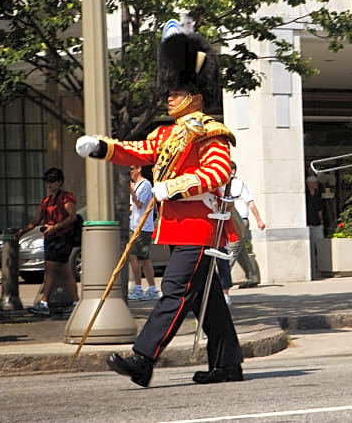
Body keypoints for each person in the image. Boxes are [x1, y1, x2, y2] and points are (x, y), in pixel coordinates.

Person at [76, 29, 243, 386]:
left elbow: (217, 173)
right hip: (179, 228)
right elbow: (138, 151)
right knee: (207, 301)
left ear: (195, 95)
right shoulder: (167, 134)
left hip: (201, 227)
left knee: (175, 292)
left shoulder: (211, 132)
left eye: (177, 91)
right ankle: (228, 364)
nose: (169, 96)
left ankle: (144, 357)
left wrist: (173, 188)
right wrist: (102, 148)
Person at [23, 167, 79, 315]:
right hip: (50, 238)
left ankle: (45, 302)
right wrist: (21, 232)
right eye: (48, 181)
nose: (49, 184)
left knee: (50, 270)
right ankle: (75, 302)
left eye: (53, 181)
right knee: (64, 271)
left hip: (62, 238)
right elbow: (36, 220)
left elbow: (72, 217)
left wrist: (55, 227)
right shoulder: (47, 201)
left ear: (59, 182)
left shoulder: (66, 197)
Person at [224, 161, 264, 290]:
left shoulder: (239, 184)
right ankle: (252, 277)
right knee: (241, 252)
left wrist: (259, 220)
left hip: (240, 221)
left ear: (233, 171)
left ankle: (222, 280)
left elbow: (250, 203)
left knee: (232, 250)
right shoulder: (223, 184)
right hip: (229, 220)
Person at [127, 165, 158, 301]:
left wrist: (132, 192)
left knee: (135, 256)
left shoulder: (145, 185)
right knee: (142, 258)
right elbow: (132, 207)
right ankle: (151, 288)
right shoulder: (137, 185)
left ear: (138, 169)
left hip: (143, 226)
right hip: (135, 225)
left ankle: (140, 288)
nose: (130, 173)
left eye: (132, 169)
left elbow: (139, 204)